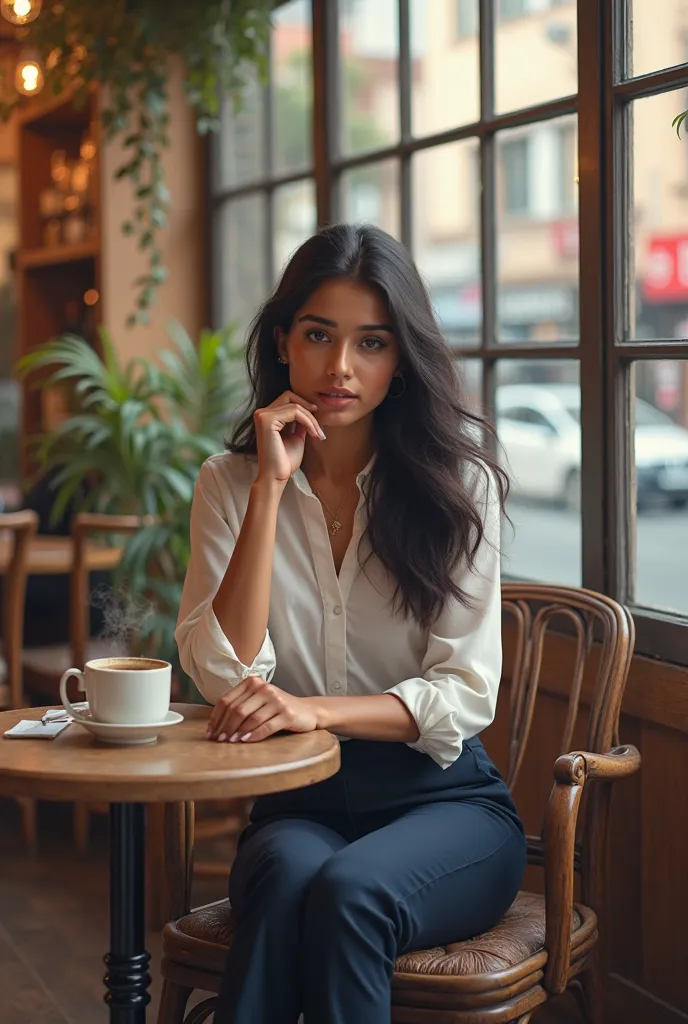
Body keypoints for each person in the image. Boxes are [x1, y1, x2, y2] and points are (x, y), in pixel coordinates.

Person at [175, 223, 526, 1024]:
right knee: (294, 885)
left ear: (400, 359)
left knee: (351, 892)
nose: (341, 367)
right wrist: (270, 489)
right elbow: (225, 675)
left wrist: (313, 711)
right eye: (319, 335)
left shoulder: (457, 487)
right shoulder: (227, 485)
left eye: (371, 342)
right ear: (282, 343)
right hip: (299, 803)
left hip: (447, 806)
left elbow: (467, 691)